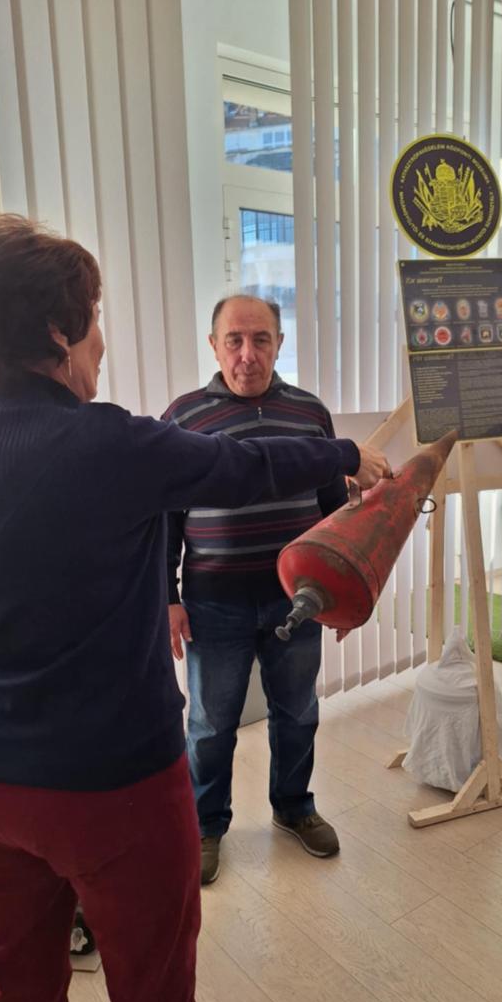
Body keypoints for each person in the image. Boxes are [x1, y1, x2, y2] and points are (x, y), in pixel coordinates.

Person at [0, 216, 391, 1002]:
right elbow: (246, 468)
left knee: (18, 987)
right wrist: (345, 453)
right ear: (59, 331)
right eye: (93, 318)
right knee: (154, 996)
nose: (102, 340)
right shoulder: (114, 443)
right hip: (119, 786)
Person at [164, 294, 356, 886]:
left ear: (279, 343)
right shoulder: (183, 418)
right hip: (212, 601)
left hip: (296, 598)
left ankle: (293, 807)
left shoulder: (310, 414)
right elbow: (164, 519)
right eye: (234, 340)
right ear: (214, 345)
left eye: (261, 339)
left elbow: (334, 513)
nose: (247, 354)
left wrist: (339, 592)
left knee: (297, 711)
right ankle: (205, 825)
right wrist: (167, 598)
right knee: (210, 724)